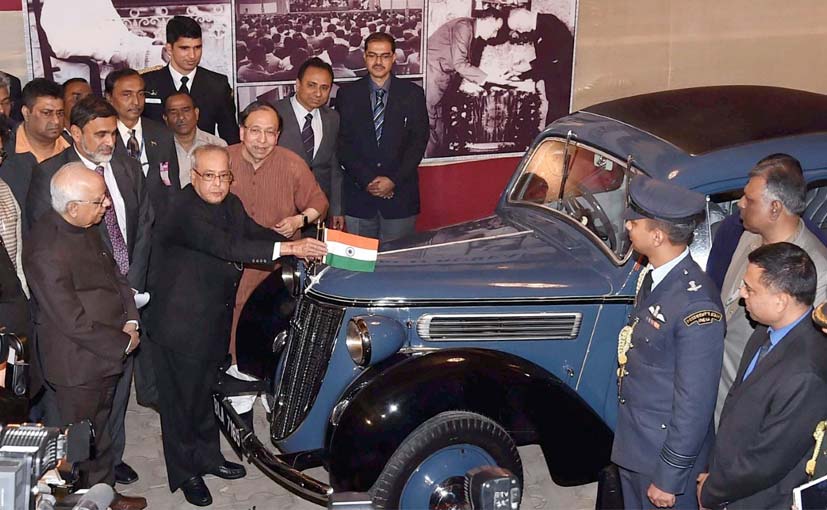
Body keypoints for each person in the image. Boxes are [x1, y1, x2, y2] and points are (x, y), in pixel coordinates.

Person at [143, 144, 327, 506]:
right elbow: (228, 246)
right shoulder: (182, 210)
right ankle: (186, 474)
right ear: (193, 176)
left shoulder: (228, 202)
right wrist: (291, 251)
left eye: (223, 176)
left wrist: (298, 243)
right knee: (181, 404)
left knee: (205, 394)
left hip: (210, 317)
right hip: (178, 324)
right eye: (208, 176)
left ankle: (209, 458)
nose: (217, 184)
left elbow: (253, 233)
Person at [27, 95, 154, 486]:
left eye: (113, 133)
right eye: (97, 203)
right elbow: (66, 314)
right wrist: (120, 339)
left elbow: (120, 261)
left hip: (111, 336)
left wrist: (131, 314)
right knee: (75, 444)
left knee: (102, 427)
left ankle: (106, 488)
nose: (104, 209)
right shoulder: (50, 233)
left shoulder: (92, 213)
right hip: (79, 356)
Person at [613, 176, 725, 510]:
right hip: (637, 444)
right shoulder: (654, 275)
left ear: (658, 236)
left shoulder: (696, 307)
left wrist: (670, 476)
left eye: (634, 222)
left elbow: (695, 402)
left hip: (663, 460)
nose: (628, 226)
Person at [697, 242, 827, 510]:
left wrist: (712, 491)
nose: (742, 294)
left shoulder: (805, 372)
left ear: (780, 301)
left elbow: (768, 459)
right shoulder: (764, 331)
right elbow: (736, 409)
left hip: (759, 500)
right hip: (730, 482)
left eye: (750, 289)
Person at [715, 154, 827, 424]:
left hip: (754, 415)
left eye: (750, 200)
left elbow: (805, 366)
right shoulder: (749, 236)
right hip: (717, 395)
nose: (740, 204)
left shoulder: (817, 272)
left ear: (775, 208)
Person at [228, 101, 328, 362]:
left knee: (273, 322)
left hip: (277, 264)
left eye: (270, 132)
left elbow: (320, 203)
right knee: (232, 320)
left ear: (278, 135)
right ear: (242, 132)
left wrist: (299, 220)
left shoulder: (292, 163)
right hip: (232, 259)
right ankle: (236, 373)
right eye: (255, 131)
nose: (262, 140)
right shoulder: (223, 159)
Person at [336, 32, 428, 242]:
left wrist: (392, 180)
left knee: (396, 267)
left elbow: (418, 143)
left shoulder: (413, 94)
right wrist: (367, 180)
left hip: (400, 197)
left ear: (394, 57)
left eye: (385, 56)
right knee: (359, 268)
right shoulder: (347, 95)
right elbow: (342, 143)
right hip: (359, 198)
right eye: (372, 55)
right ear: (364, 57)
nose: (378, 62)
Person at [425, 10, 514, 157]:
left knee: (438, 122)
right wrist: (491, 77)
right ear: (488, 20)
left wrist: (487, 78)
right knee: (430, 123)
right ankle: (428, 167)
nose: (495, 35)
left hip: (440, 76)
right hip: (433, 75)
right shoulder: (464, 27)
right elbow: (460, 64)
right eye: (496, 29)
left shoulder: (470, 31)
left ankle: (437, 162)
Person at [142, 15, 240, 144]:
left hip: (203, 160)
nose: (193, 55)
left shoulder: (217, 85)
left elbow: (230, 136)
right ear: (169, 49)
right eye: (185, 48)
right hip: (159, 161)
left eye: (197, 47)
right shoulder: (147, 83)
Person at [273, 57, 344, 229]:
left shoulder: (333, 118)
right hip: (280, 210)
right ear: (297, 84)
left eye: (324, 88)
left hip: (319, 211)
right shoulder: (273, 112)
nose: (318, 93)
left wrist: (336, 208)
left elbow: (334, 166)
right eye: (311, 85)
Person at [105, 68, 181, 218]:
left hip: (159, 224)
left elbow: (172, 186)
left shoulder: (161, 133)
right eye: (127, 95)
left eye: (140, 94)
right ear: (109, 97)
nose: (136, 101)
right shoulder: (103, 136)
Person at [507, 9, 574, 126]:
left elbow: (554, 55)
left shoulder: (548, 23)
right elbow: (545, 59)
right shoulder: (541, 25)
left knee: (558, 118)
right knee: (554, 116)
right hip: (555, 82)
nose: (520, 31)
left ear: (523, 19)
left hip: (562, 82)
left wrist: (528, 66)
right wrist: (521, 73)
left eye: (518, 27)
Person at [162, 91, 226, 188]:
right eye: (173, 112)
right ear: (166, 118)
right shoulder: (158, 148)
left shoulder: (217, 145)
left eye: (186, 110)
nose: (181, 117)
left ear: (196, 113)